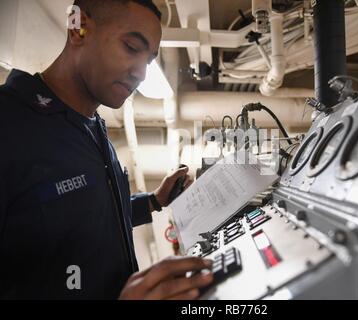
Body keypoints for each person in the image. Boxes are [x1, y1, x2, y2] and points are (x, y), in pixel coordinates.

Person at [0, 0, 213, 299]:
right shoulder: (9, 123)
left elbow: (82, 211)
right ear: (79, 28)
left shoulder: (93, 126)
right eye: (131, 47)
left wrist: (152, 201)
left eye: (149, 60)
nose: (141, 73)